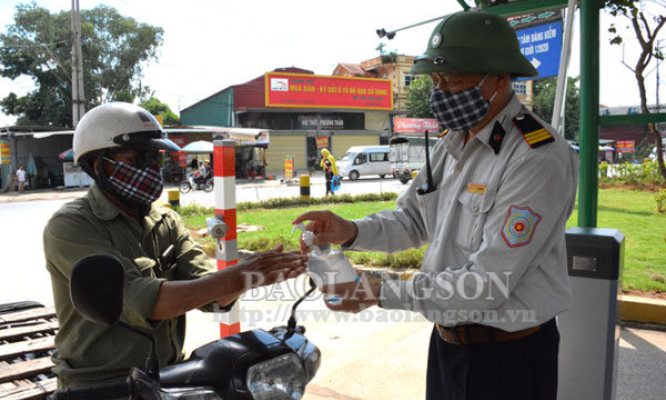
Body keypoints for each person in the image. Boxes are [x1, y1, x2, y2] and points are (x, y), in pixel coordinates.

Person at [293, 10, 579, 400]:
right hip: (448, 346)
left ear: (500, 79)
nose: (441, 91)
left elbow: (486, 284)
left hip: (510, 359)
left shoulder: (536, 155)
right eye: (437, 80)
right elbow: (412, 219)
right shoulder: (453, 142)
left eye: (454, 81)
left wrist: (379, 289)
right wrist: (350, 230)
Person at [43, 102, 306, 391]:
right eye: (135, 160)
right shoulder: (71, 226)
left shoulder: (165, 219)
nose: (149, 170)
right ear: (98, 165)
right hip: (100, 385)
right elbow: (146, 302)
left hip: (166, 376)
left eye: (153, 160)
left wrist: (254, 276)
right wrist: (237, 276)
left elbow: (211, 293)